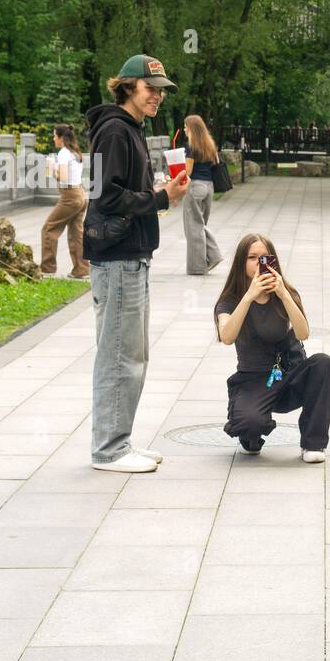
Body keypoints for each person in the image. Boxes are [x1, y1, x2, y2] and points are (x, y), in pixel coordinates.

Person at [84, 54, 191, 473]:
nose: (158, 97)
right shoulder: (115, 131)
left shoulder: (124, 129)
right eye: (152, 89)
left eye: (162, 91)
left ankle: (119, 442)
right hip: (119, 259)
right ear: (128, 86)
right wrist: (163, 198)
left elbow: (112, 190)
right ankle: (109, 450)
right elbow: (105, 197)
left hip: (127, 257)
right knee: (119, 356)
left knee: (129, 354)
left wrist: (159, 190)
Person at [214, 233, 330, 462]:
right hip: (254, 380)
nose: (259, 263)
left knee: (323, 363)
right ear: (242, 262)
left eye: (265, 257)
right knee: (250, 425)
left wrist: (283, 294)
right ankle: (249, 435)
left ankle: (313, 444)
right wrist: (249, 296)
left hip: (290, 374)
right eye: (252, 257)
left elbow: (303, 333)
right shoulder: (231, 299)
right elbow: (226, 336)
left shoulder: (285, 293)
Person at [39, 124, 90, 279]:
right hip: (80, 194)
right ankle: (81, 269)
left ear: (61, 138)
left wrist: (52, 168)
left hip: (70, 196)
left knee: (48, 229)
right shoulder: (75, 152)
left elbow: (62, 176)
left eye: (55, 136)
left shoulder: (63, 153)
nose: (53, 138)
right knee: (76, 234)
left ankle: (47, 269)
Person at [180, 114, 224, 275]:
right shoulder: (210, 144)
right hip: (209, 187)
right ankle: (214, 255)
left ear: (191, 128)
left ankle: (197, 267)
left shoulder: (191, 146)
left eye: (185, 126)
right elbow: (216, 164)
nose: (184, 129)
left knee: (193, 227)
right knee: (199, 225)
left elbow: (188, 170)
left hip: (195, 187)